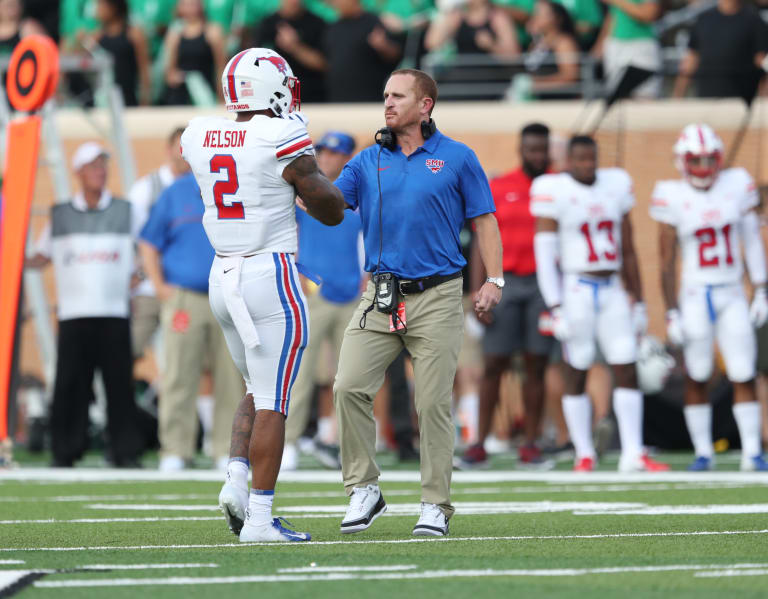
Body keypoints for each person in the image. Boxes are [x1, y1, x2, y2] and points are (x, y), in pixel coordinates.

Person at [181, 47, 344, 542]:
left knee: (257, 386)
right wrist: (311, 178)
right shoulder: (280, 134)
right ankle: (258, 519)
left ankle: (235, 476)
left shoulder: (197, 133)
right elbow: (331, 209)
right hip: (268, 272)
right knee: (274, 400)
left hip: (221, 274)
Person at [333, 68, 503, 537]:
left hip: (438, 295)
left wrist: (494, 280)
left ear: (425, 105)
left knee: (432, 404)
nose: (387, 103)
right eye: (384, 94)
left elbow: (485, 221)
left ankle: (434, 504)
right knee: (348, 385)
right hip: (381, 294)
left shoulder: (457, 157)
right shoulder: (367, 161)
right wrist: (294, 174)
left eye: (398, 96)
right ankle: (364, 489)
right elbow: (330, 204)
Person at [530, 135, 668, 472]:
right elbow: (545, 255)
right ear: (567, 161)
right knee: (577, 367)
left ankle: (633, 452)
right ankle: (584, 451)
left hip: (612, 287)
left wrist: (638, 299)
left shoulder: (615, 184)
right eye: (580, 159)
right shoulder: (554, 189)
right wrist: (555, 305)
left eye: (591, 159)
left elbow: (630, 247)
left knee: (626, 364)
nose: (587, 165)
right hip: (576, 287)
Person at [650, 123, 768, 472]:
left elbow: (751, 241)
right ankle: (704, 452)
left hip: (731, 290)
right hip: (695, 293)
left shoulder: (736, 184)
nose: (702, 166)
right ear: (681, 161)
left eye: (707, 158)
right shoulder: (671, 193)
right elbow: (666, 261)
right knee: (698, 373)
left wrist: (761, 288)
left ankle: (751, 452)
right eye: (695, 159)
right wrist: (671, 311)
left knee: (743, 370)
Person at [27, 142, 142, 468]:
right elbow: (41, 256)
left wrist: (139, 278)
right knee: (69, 386)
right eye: (93, 166)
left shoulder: (124, 210)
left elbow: (142, 254)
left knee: (119, 386)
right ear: (78, 172)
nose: (100, 171)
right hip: (74, 315)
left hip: (114, 312)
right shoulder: (61, 215)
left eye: (103, 165)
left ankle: (125, 452)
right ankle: (64, 451)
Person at [458, 122, 556, 470]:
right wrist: (475, 290)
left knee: (536, 365)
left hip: (545, 285)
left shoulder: (558, 186)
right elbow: (481, 241)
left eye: (543, 149)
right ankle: (479, 444)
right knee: (494, 363)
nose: (537, 155)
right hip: (506, 282)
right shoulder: (500, 186)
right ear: (521, 149)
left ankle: (530, 443)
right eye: (531, 149)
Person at [138, 171, 244, 472]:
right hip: (185, 297)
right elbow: (148, 242)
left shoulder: (237, 186)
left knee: (230, 377)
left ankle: (226, 448)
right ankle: (175, 448)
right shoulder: (175, 192)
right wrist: (159, 286)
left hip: (228, 293)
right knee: (178, 376)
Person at [283, 130, 362, 470]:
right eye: (324, 152)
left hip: (352, 295)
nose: (327, 158)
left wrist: (367, 281)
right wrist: (299, 275)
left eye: (335, 153)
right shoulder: (302, 193)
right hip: (314, 294)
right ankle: (287, 443)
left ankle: (348, 445)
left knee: (352, 377)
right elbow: (286, 233)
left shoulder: (359, 193)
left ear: (347, 158)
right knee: (299, 374)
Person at [129, 127, 190, 360]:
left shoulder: (201, 189)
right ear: (168, 150)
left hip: (184, 289)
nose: (185, 155)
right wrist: (137, 275)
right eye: (181, 148)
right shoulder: (147, 188)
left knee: (183, 359)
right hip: (149, 289)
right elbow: (132, 239)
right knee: (127, 351)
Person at [673, 0, 768, 101]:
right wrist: (677, 97)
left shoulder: (754, 21)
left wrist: (763, 98)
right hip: (705, 99)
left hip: (740, 101)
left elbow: (761, 61)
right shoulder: (704, 19)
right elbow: (691, 60)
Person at [323, 0, 403, 102]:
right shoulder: (332, 28)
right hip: (338, 98)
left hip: (369, 98)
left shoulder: (375, 22)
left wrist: (384, 46)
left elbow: (396, 55)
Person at [252, 0, 328, 103]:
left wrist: (295, 47)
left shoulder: (317, 24)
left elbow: (324, 64)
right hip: (275, 99)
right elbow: (255, 64)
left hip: (312, 97)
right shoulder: (266, 25)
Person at [591, 0, 661, 98]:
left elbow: (649, 14)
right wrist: (600, 44)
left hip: (640, 47)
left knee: (645, 95)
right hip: (616, 45)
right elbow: (613, 16)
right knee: (617, 96)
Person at [162, 0, 226, 105]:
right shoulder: (174, 34)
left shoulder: (213, 31)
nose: (189, 9)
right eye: (185, 5)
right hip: (181, 95)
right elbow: (169, 73)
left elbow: (221, 68)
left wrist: (222, 97)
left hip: (207, 93)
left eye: (193, 4)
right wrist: (184, 77)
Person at [92, 0, 151, 106]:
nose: (97, 10)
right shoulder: (97, 36)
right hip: (103, 97)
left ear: (113, 8)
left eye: (101, 5)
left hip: (128, 96)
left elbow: (144, 70)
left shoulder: (134, 35)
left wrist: (145, 99)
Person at [524, 0, 581, 98]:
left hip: (558, 103)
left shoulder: (564, 42)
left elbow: (570, 76)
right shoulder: (536, 43)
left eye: (540, 13)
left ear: (555, 18)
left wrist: (536, 85)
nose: (535, 17)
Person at [424, 0, 519, 58]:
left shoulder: (498, 18)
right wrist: (445, 11)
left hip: (492, 79)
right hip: (463, 76)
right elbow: (432, 43)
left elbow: (514, 56)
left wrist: (492, 46)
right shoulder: (456, 17)